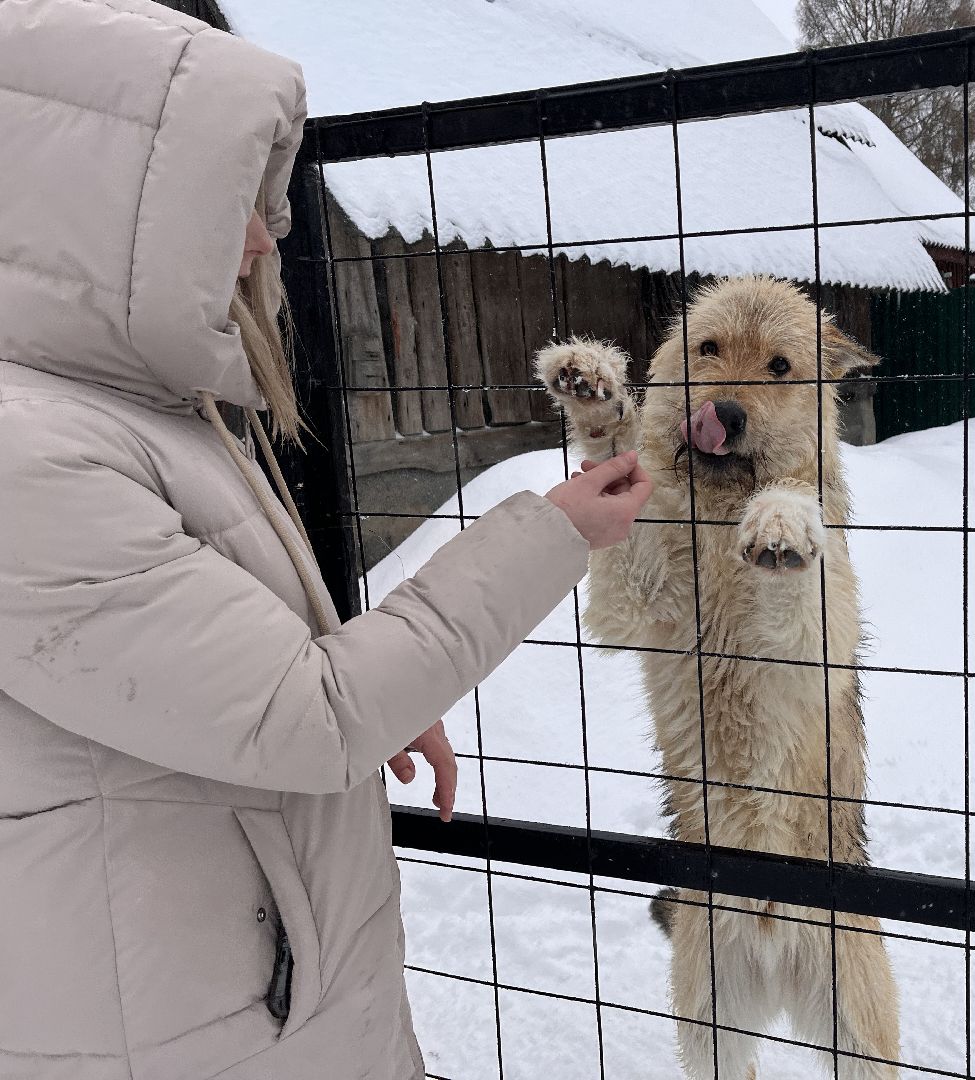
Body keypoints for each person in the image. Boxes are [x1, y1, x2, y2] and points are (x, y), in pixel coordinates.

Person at [0, 2, 650, 1078]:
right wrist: (550, 535)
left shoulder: (140, 412)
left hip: (229, 987)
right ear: (97, 210)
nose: (267, 236)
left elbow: (227, 674)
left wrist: (381, 692)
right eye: (229, 203)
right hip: (179, 1023)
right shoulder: (28, 455)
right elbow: (304, 715)